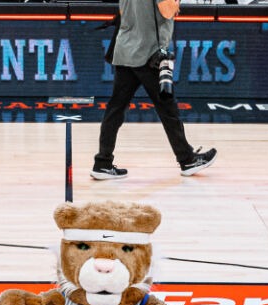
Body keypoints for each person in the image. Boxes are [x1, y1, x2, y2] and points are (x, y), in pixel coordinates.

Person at [92, 0, 215, 179]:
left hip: (125, 49)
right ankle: (187, 159)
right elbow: (167, 10)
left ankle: (102, 163)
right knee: (167, 108)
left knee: (116, 108)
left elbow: (123, 11)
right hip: (148, 53)